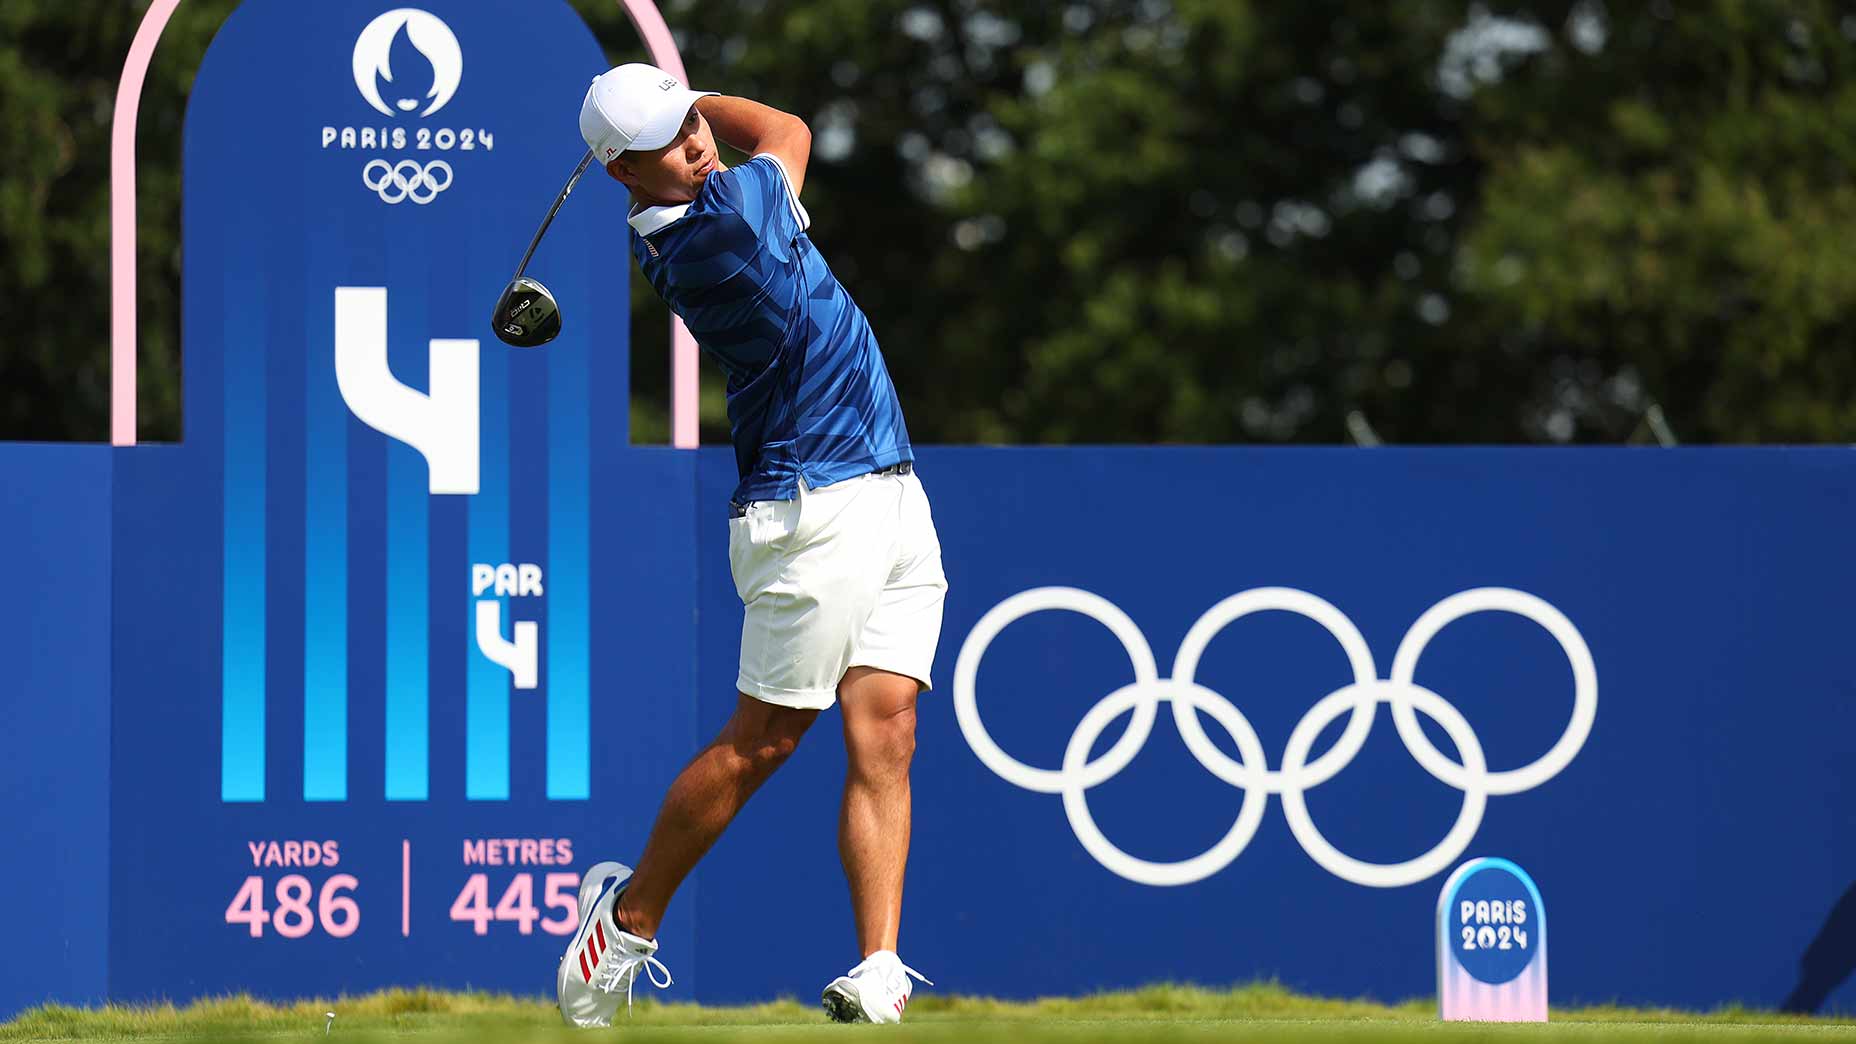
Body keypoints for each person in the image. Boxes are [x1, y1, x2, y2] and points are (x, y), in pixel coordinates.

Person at [554, 63, 948, 1028]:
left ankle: (879, 968)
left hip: (889, 485)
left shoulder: (703, 196)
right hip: (813, 506)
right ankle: (626, 919)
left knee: (887, 724)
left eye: (691, 127)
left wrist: (675, 102)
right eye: (667, 143)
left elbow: (763, 135)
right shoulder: (721, 227)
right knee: (764, 741)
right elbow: (789, 129)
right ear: (622, 174)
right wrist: (703, 92)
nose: (695, 144)